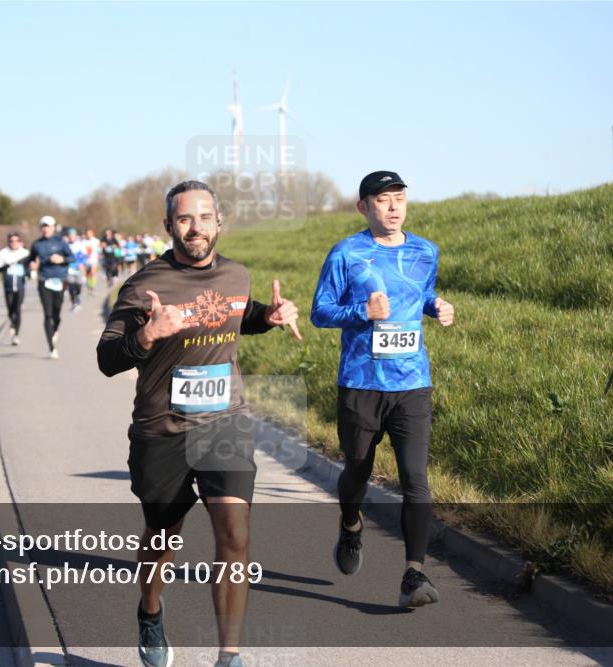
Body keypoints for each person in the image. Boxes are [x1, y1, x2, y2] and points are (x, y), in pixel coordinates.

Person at [97, 180, 300, 667]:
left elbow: (234, 314)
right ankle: (150, 610)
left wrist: (267, 316)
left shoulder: (236, 275)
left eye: (205, 217)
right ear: (169, 225)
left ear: (218, 222)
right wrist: (146, 336)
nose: (196, 228)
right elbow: (106, 358)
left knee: (234, 535)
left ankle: (229, 656)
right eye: (185, 219)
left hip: (224, 424)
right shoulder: (145, 285)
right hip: (162, 429)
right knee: (163, 536)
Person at [310, 171, 455, 607]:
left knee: (415, 479)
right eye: (383, 200)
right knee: (357, 470)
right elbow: (321, 311)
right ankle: (351, 524)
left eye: (399, 198)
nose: (393, 207)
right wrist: (363, 312)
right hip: (361, 383)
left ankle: (414, 574)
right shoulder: (346, 253)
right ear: (364, 207)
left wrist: (436, 306)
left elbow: (421, 294)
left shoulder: (425, 251)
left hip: (412, 382)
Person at [28, 216, 75, 359]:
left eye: (48, 226)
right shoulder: (36, 244)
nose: (45, 229)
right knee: (47, 314)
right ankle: (52, 348)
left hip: (60, 280)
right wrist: (31, 265)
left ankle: (55, 328)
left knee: (56, 313)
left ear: (53, 227)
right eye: (43, 226)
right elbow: (31, 259)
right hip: (44, 280)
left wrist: (62, 259)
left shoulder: (61, 242)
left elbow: (72, 258)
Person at [0, 233, 31, 345]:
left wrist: (29, 273)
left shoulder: (25, 253)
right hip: (8, 286)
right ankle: (12, 322)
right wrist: (6, 266)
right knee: (10, 308)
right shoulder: (3, 253)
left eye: (16, 241)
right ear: (8, 242)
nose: (14, 243)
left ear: (19, 242)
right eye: (11, 241)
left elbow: (29, 267)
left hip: (20, 285)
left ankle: (16, 335)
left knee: (17, 309)